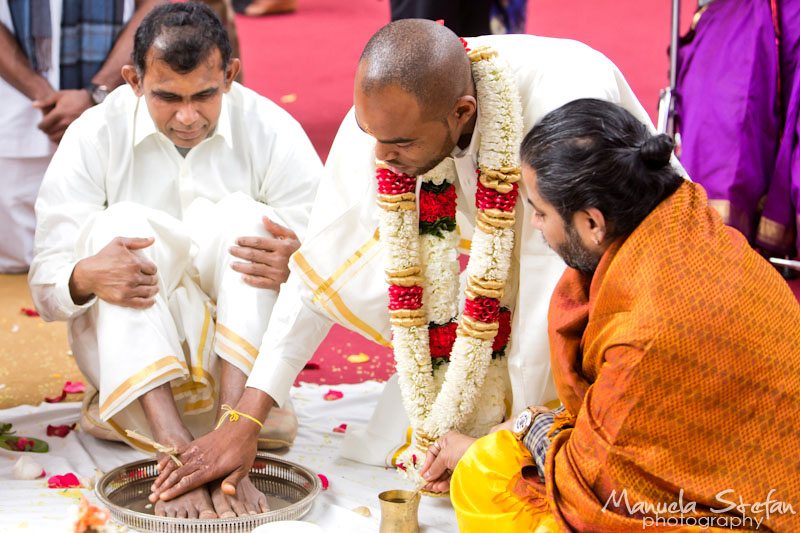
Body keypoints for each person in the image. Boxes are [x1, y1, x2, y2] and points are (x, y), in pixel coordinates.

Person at [146, 18, 680, 503]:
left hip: (606, 256)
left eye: (397, 142)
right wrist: (246, 419)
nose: (380, 155)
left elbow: (552, 288)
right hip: (510, 241)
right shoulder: (386, 118)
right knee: (400, 402)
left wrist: (501, 447)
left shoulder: (561, 107)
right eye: (370, 134)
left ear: (461, 113)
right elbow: (319, 267)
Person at [438, 98, 800, 531]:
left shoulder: (644, 328)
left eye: (540, 211)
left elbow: (596, 484)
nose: (534, 224)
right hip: (757, 470)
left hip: (754, 514)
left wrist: (518, 430)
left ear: (593, 222)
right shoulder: (687, 222)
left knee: (487, 478)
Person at [29, 2, 323, 519]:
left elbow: (328, 262)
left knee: (254, 224)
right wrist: (85, 275)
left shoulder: (270, 128)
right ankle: (173, 446)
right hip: (138, 390)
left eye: (204, 95)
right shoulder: (94, 135)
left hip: (252, 393)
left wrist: (297, 264)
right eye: (167, 97)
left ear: (229, 76)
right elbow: (46, 288)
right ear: (133, 80)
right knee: (119, 231)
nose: (188, 117)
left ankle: (234, 437)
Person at [0, 0, 164, 273]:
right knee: (16, 263)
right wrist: (43, 95)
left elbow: (153, 5)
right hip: (17, 118)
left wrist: (95, 93)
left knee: (115, 252)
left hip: (119, 109)